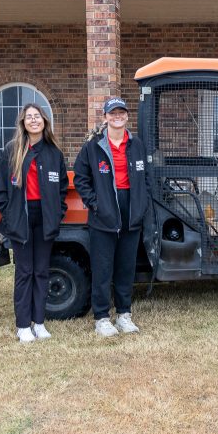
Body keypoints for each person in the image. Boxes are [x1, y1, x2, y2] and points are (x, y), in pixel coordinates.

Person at [73, 97, 151, 338]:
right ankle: (102, 317)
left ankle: (124, 315)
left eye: (121, 113)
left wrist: (141, 204)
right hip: (104, 213)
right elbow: (81, 178)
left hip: (131, 212)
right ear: (105, 117)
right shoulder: (93, 146)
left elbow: (146, 178)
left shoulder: (136, 144)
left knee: (126, 267)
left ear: (127, 116)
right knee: (103, 267)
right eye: (112, 113)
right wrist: (95, 204)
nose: (117, 117)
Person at [0, 103, 68, 343]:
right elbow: (0, 190)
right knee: (25, 272)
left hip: (45, 219)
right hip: (21, 219)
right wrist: (9, 215)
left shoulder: (53, 152)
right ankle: (23, 325)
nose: (34, 121)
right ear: (23, 123)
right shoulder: (12, 150)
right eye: (29, 117)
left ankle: (39, 322)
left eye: (38, 117)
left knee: (41, 272)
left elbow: (62, 189)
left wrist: (58, 213)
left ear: (44, 121)